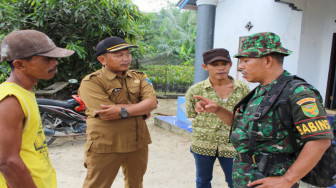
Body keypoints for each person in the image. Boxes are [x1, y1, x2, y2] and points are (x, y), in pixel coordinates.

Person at [194, 32, 333, 188]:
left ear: (267, 60)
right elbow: (242, 126)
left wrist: (287, 180)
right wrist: (218, 110)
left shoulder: (299, 93)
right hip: (247, 177)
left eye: (246, 61)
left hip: (271, 179)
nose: (240, 67)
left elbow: (320, 141)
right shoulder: (261, 91)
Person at [78, 36, 157, 188]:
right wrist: (139, 109)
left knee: (136, 184)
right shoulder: (92, 81)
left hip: (137, 143)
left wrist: (121, 110)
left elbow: (151, 103)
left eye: (127, 54)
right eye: (119, 55)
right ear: (102, 59)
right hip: (107, 145)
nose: (126, 58)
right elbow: (106, 112)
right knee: (97, 184)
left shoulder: (139, 77)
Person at [0, 29, 74, 188]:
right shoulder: (10, 100)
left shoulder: (25, 92)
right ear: (19, 64)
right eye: (47, 59)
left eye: (54, 58)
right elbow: (7, 162)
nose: (55, 62)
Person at [185, 48, 250, 188]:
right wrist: (199, 108)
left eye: (224, 63)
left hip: (233, 144)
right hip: (203, 142)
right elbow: (191, 114)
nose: (220, 68)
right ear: (205, 67)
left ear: (230, 65)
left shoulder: (243, 89)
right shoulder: (195, 90)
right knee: (203, 180)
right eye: (215, 64)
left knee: (235, 181)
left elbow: (247, 116)